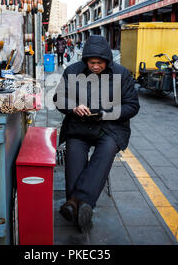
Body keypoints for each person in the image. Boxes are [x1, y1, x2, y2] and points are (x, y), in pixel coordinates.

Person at [53, 35, 140, 233]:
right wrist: (74, 107)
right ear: (85, 61)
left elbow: (132, 106)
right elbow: (58, 98)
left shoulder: (122, 74)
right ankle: (82, 205)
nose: (95, 66)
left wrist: (106, 114)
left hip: (110, 127)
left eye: (99, 63)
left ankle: (75, 202)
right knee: (74, 153)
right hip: (79, 126)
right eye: (91, 62)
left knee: (107, 150)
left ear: (107, 61)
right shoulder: (72, 71)